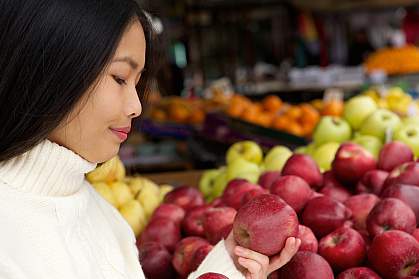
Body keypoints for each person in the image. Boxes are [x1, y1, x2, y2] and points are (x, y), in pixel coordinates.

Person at [0, 0, 300, 278]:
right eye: (119, 78)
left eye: (138, 81)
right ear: (48, 69)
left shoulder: (101, 213)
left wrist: (227, 268)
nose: (136, 107)